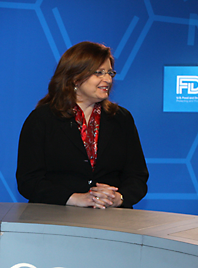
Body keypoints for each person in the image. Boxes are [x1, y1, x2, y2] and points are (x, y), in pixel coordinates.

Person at [16, 41, 149, 209]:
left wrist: (118, 198)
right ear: (75, 78)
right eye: (99, 73)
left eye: (110, 73)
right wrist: (74, 198)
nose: (107, 79)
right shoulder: (42, 119)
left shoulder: (121, 118)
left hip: (112, 221)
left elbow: (137, 176)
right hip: (56, 219)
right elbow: (28, 180)